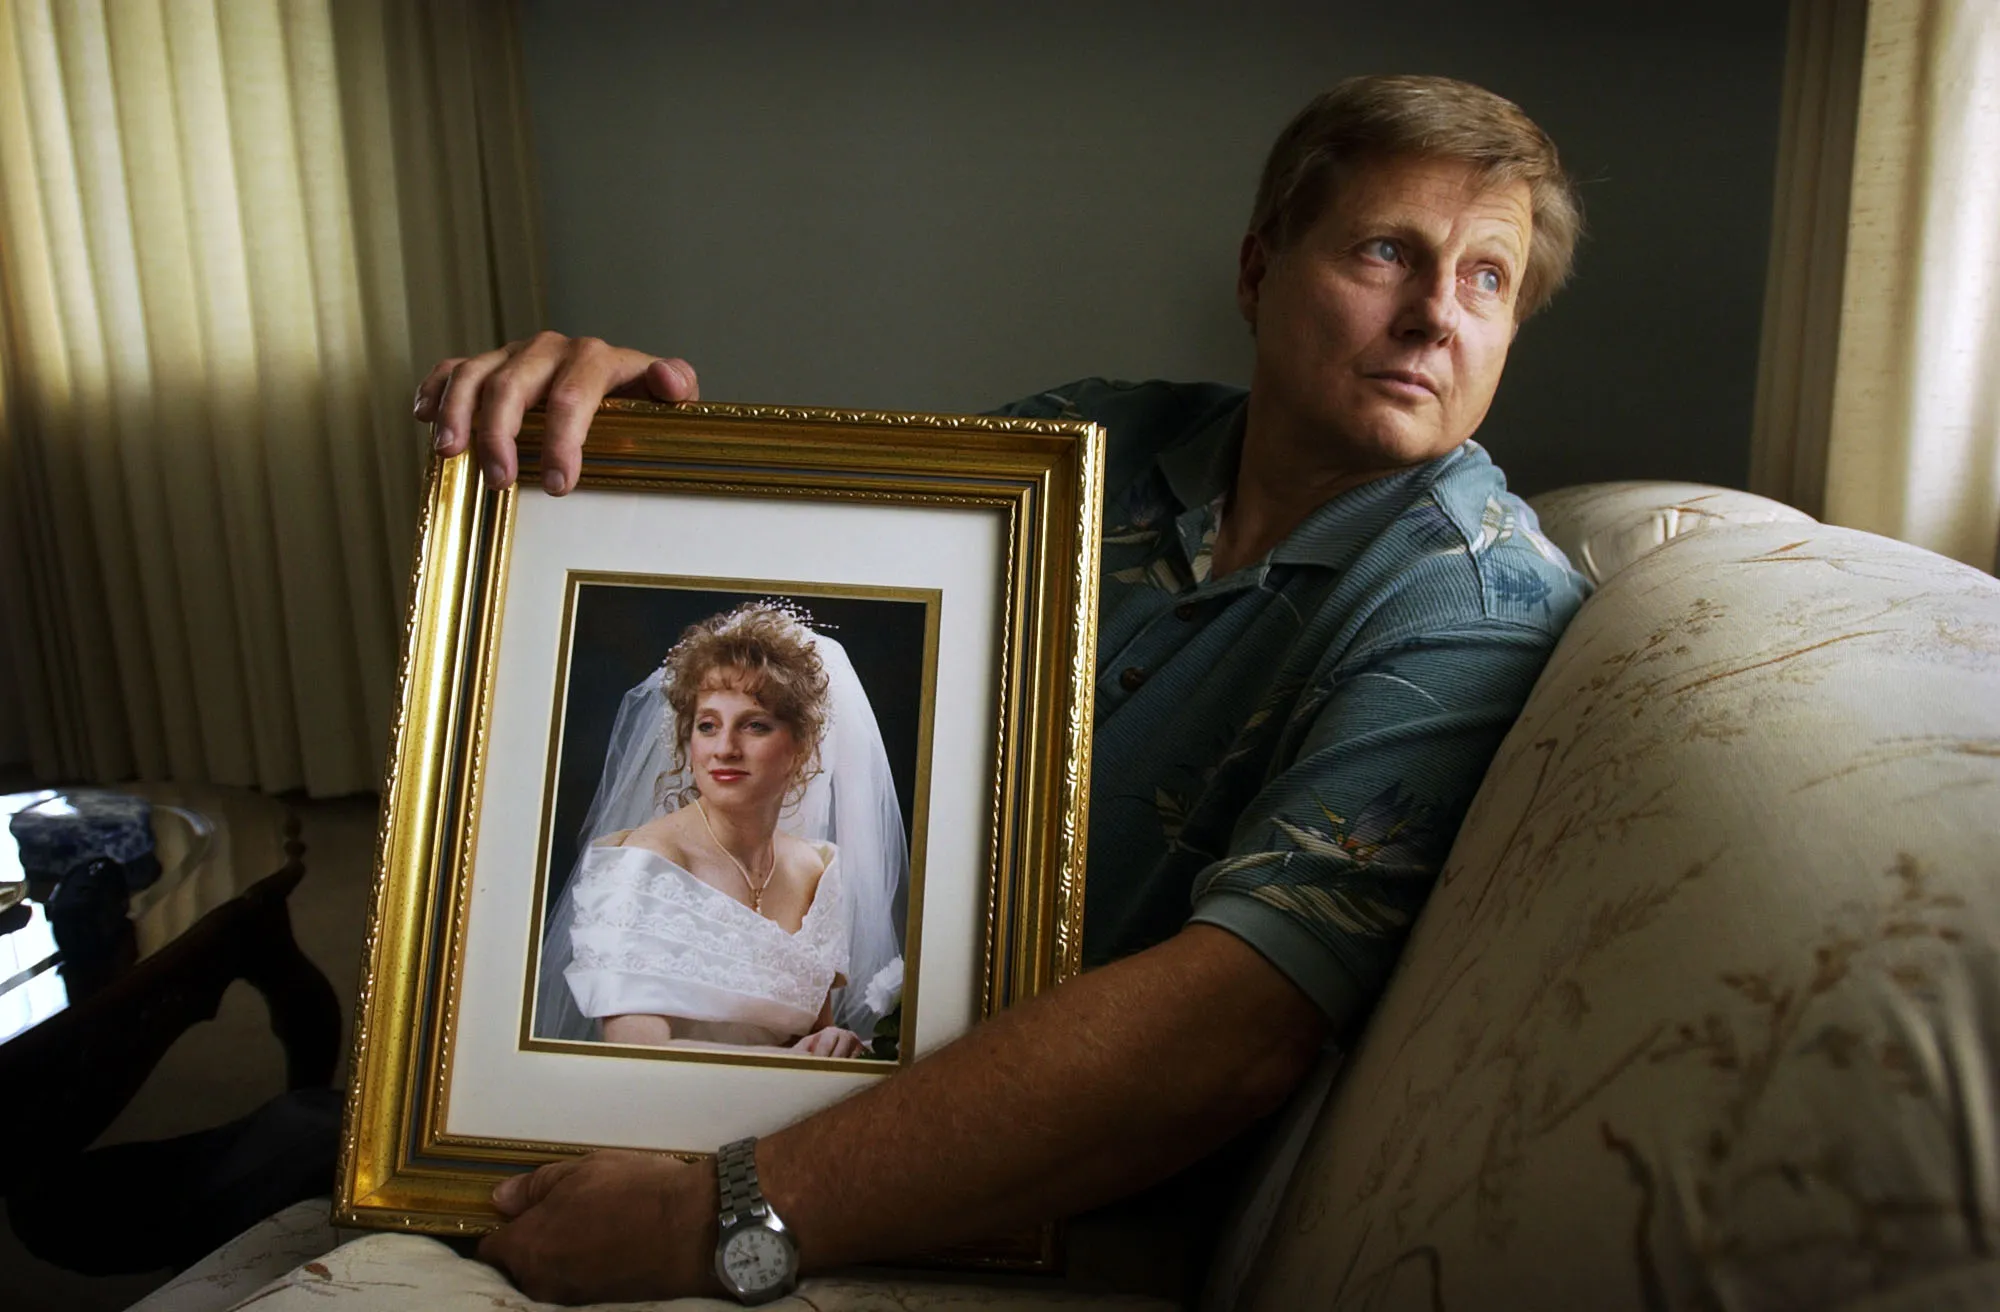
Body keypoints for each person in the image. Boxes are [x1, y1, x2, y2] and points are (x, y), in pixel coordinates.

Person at [415, 74, 1593, 1304]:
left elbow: (1232, 1029)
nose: (1430, 319)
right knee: (300, 1145)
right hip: (761, 1071)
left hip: (983, 1192)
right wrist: (614, 449)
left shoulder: (1469, 608)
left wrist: (720, 1218)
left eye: (1485, 279)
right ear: (1255, 272)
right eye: (1384, 251)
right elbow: (783, 614)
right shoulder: (1086, 442)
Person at [535, 600, 909, 1057]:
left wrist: (831, 1042)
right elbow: (634, 1052)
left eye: (754, 725)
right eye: (708, 726)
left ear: (801, 746)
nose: (725, 748)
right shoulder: (646, 863)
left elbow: (808, 1038)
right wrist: (782, 1061)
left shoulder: (816, 869)